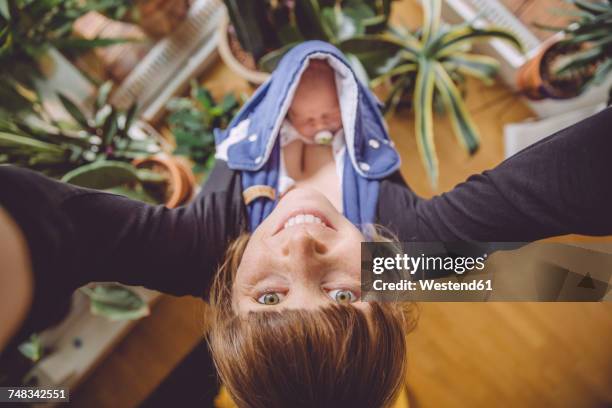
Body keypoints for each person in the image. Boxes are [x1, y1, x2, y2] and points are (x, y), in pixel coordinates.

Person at [1, 41, 611, 407]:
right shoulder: (410, 259)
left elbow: (65, 233)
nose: (298, 246)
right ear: (387, 298)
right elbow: (552, 199)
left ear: (227, 297)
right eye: (342, 293)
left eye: (269, 296)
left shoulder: (199, 251)